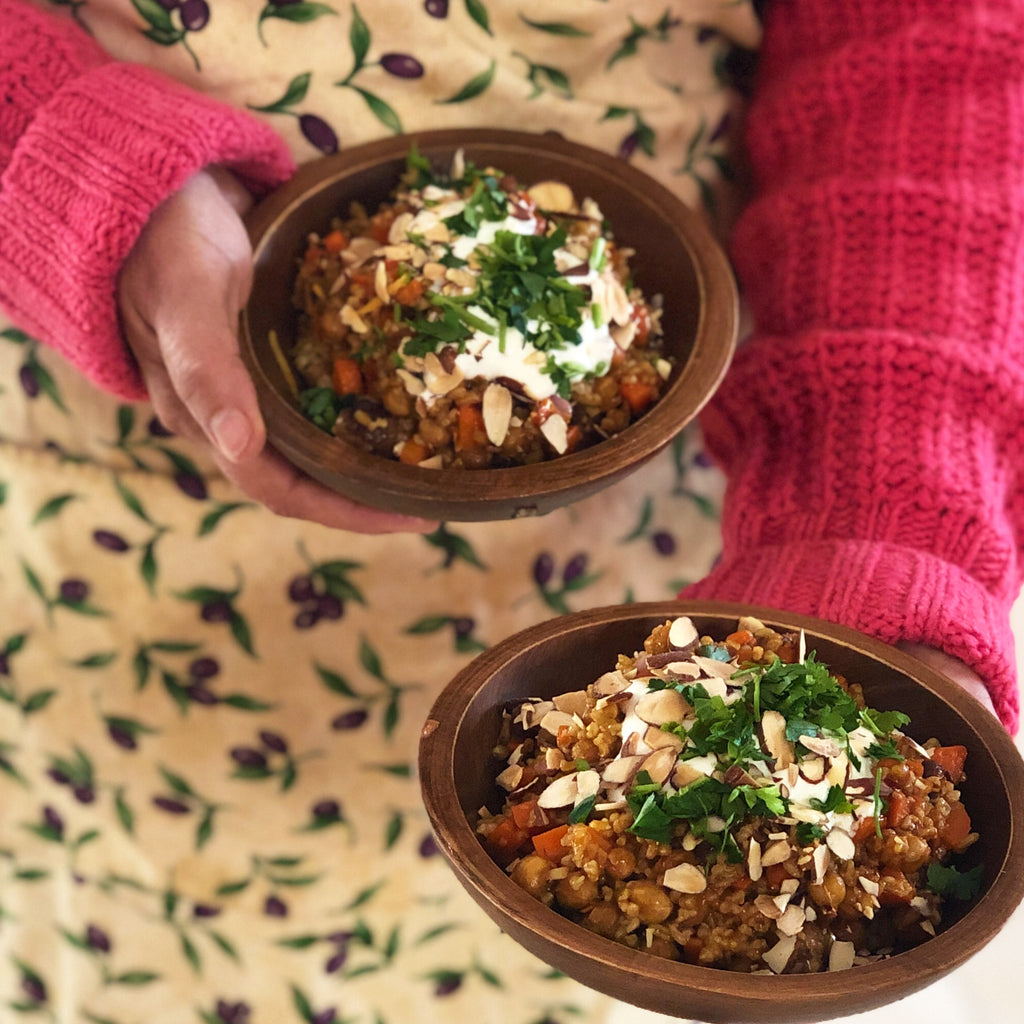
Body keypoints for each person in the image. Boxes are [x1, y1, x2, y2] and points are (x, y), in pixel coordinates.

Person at [0, 2, 1019, 1024]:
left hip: (632, 592)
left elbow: (929, 60)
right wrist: (48, 133)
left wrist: (879, 507)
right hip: (105, 544)